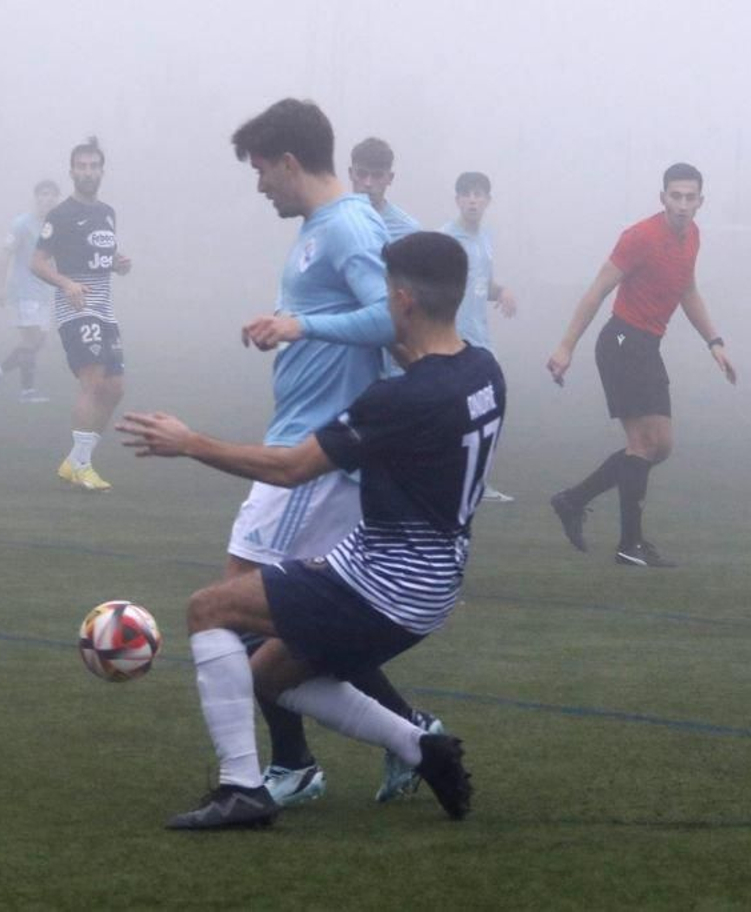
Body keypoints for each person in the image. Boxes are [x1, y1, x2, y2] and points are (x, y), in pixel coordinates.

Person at [119, 230, 497, 829]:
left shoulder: (399, 401)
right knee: (269, 674)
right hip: (436, 581)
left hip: (386, 585)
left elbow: (292, 468)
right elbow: (432, 397)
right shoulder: (482, 370)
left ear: (401, 300)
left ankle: (241, 789)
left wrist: (190, 444)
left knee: (210, 610)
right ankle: (419, 747)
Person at [225, 99, 443, 808]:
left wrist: (299, 323)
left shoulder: (347, 224)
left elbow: (392, 316)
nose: (259, 187)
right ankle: (411, 734)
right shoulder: (325, 226)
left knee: (240, 612)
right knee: (289, 622)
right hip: (306, 443)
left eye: (262, 172)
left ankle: (296, 764)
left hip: (312, 457)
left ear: (290, 163)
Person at [546, 163, 736, 567]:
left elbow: (687, 290)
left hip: (646, 345)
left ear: (701, 202)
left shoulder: (692, 238)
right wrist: (565, 346)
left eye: (690, 197)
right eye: (675, 196)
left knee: (659, 446)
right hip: (620, 340)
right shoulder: (640, 237)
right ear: (662, 197)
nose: (682, 205)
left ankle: (572, 500)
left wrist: (714, 342)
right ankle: (629, 546)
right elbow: (598, 290)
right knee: (643, 445)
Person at [31, 137, 132, 491]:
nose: (88, 172)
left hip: (105, 309)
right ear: (72, 171)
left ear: (102, 171)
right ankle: (83, 465)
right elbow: (37, 263)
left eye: (93, 166)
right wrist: (66, 284)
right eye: (82, 166)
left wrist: (119, 265)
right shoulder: (60, 215)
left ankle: (75, 460)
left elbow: (103, 255)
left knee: (115, 388)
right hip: (76, 309)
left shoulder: (107, 212)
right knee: (92, 382)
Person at [443, 172, 518, 502]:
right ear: (457, 199)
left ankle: (474, 481)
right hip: (451, 339)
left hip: (480, 338)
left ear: (488, 200)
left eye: (479, 194)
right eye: (466, 194)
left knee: (488, 406)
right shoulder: (446, 239)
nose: (473, 200)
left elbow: (479, 284)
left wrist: (501, 292)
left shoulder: (486, 238)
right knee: (457, 410)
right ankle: (454, 479)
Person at [0, 180, 62, 403]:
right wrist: (0, 287)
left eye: (52, 195)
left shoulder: (54, 226)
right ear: (36, 197)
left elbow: (55, 258)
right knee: (30, 340)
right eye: (43, 194)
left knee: (39, 341)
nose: (47, 199)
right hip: (23, 290)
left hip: (43, 292)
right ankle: (27, 392)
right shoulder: (21, 223)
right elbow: (5, 254)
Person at [348, 137, 420, 241]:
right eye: (362, 174)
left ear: (390, 178)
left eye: (377, 176)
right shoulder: (331, 221)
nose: (368, 183)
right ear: (351, 174)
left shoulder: (407, 231)